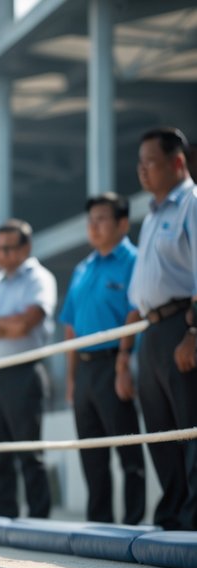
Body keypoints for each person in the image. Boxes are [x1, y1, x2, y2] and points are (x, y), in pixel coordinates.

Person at [124, 127, 197, 531]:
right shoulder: (152, 215)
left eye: (150, 162)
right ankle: (172, 518)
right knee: (161, 433)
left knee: (189, 430)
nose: (143, 171)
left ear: (178, 162)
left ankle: (193, 522)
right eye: (140, 164)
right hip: (150, 333)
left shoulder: (192, 204)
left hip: (182, 327)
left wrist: (194, 333)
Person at [59, 192, 145, 525]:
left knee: (128, 451)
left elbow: (135, 313)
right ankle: (100, 524)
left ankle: (134, 524)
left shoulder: (134, 262)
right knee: (92, 454)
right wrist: (70, 379)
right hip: (85, 370)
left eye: (101, 219)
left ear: (122, 223)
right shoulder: (83, 268)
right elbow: (70, 325)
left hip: (116, 362)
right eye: (90, 220)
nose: (93, 227)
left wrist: (124, 364)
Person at [0, 219, 57, 519]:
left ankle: (38, 518)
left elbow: (25, 325)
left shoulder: (39, 279)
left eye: (8, 248)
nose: (1, 254)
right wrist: (7, 324)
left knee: (29, 452)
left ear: (25, 248)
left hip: (23, 372)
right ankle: (3, 515)